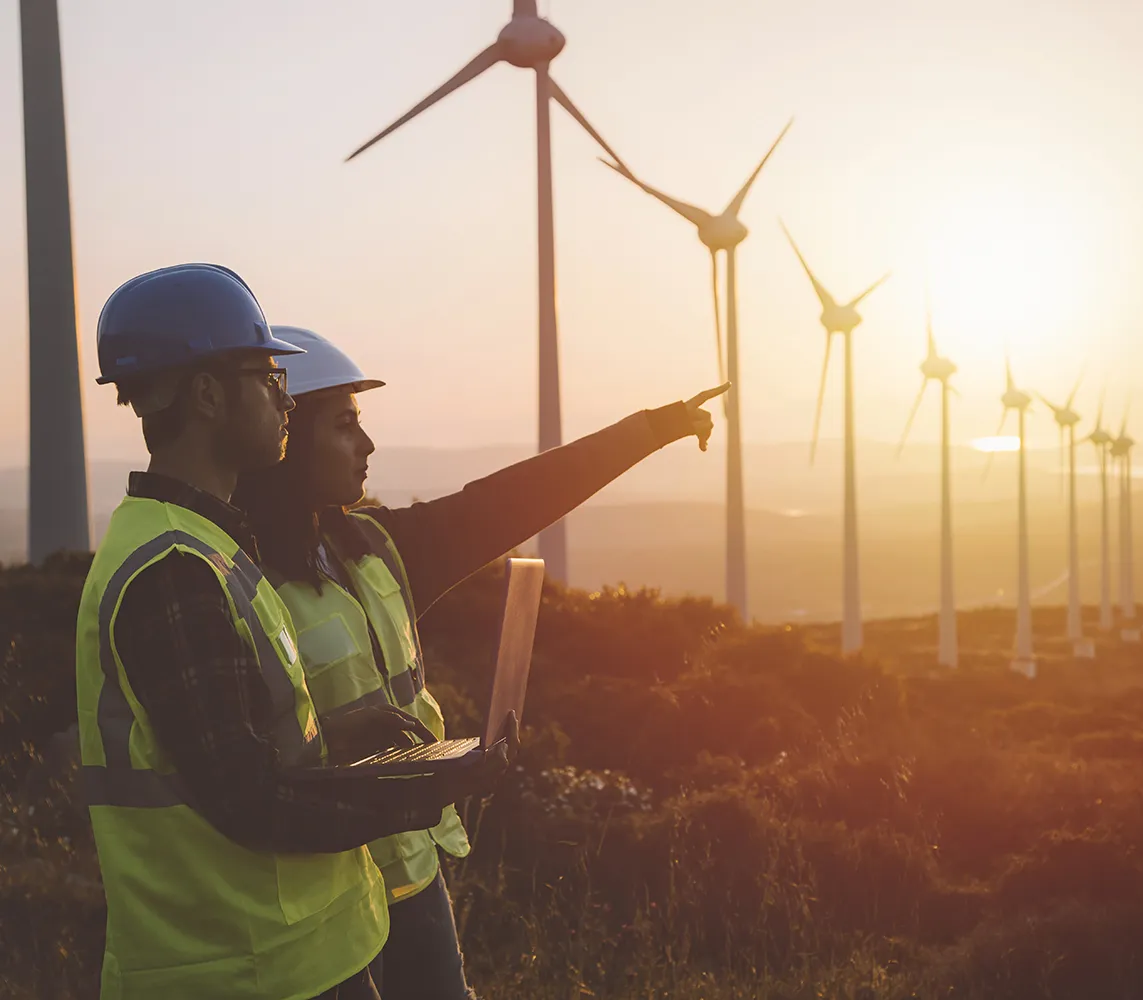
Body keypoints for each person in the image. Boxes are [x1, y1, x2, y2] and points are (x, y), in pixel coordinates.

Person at [231, 326, 728, 999]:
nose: (367, 444)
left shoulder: (376, 549)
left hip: (410, 869)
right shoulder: (237, 581)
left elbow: (512, 498)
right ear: (288, 440)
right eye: (345, 425)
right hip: (319, 892)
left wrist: (650, 429)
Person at [75, 264, 511, 1000]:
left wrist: (341, 737)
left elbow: (241, 750)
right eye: (267, 373)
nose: (284, 395)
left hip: (297, 957)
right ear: (208, 394)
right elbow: (249, 800)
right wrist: (425, 789)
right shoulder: (172, 572)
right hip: (243, 971)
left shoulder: (210, 548)